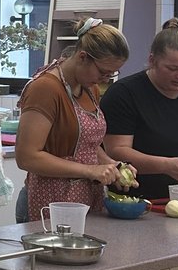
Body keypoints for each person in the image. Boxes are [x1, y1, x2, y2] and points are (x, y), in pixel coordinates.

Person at [14, 17, 129, 222]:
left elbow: (87, 145)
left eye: (112, 74)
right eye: (103, 72)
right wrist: (90, 170)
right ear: (83, 57)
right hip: (48, 202)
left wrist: (113, 166)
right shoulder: (45, 89)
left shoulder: (90, 88)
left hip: (84, 201)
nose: (105, 79)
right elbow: (27, 157)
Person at [103, 18, 178, 198]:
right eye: (172, 68)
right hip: (136, 200)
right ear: (152, 60)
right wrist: (165, 166)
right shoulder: (124, 94)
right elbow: (116, 151)